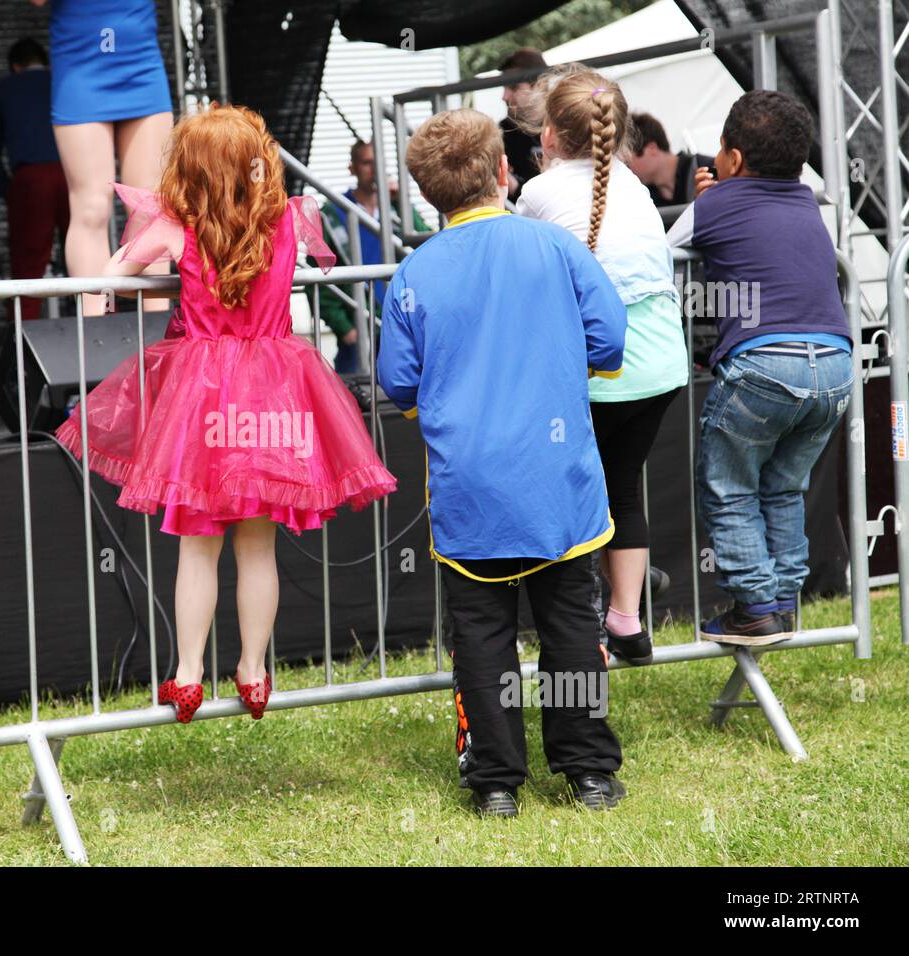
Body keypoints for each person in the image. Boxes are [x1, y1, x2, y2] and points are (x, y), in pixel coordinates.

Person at [54, 106, 397, 723]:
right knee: (259, 547)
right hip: (274, 396)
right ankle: (254, 671)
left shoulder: (174, 229)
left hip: (201, 402)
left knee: (197, 546)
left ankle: (188, 675)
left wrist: (126, 286)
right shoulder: (291, 221)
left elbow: (109, 279)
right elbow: (304, 270)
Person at [377, 108, 629, 817]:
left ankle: (494, 783)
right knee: (570, 627)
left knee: (482, 637)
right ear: (501, 171)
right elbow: (610, 341)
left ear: (429, 194)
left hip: (469, 488)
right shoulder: (556, 248)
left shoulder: (412, 274)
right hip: (558, 484)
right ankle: (588, 773)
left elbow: (397, 382)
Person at [515, 66, 688, 667]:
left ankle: (582, 629)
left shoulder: (537, 193)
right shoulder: (636, 186)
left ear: (551, 137)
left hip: (597, 368)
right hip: (662, 362)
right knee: (623, 488)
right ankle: (627, 619)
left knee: (575, 497)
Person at [668, 89, 854, 643]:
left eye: (718, 151)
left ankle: (753, 604)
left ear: (734, 159)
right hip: (836, 365)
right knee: (785, 487)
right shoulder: (807, 199)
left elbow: (666, 254)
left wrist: (708, 202)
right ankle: (782, 599)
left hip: (765, 363)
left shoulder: (713, 205)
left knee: (729, 487)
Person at [30, 0, 174, 317]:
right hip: (80, 62)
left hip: (141, 61)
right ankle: (97, 325)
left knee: (151, 206)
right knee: (92, 205)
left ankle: (158, 329)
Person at [311, 140, 429, 374]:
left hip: (401, 324)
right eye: (367, 163)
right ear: (352, 168)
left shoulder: (395, 209)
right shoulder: (332, 215)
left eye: (379, 163)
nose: (374, 170)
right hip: (359, 330)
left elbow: (424, 243)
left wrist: (401, 201)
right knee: (357, 402)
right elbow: (320, 277)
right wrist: (345, 329)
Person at [0, 38, 70, 321]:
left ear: (15, 67)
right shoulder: (63, 80)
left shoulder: (2, 90)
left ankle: (21, 353)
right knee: (87, 261)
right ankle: (101, 335)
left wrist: (11, 193)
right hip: (74, 175)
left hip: (30, 182)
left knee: (27, 272)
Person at [628, 112, 716, 208]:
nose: (626, 169)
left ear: (651, 149)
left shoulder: (710, 169)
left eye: (627, 161)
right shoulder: (641, 198)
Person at [498, 47, 548, 203]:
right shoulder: (502, 133)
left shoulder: (566, 127)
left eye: (513, 87)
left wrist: (516, 187)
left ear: (539, 85)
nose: (504, 96)